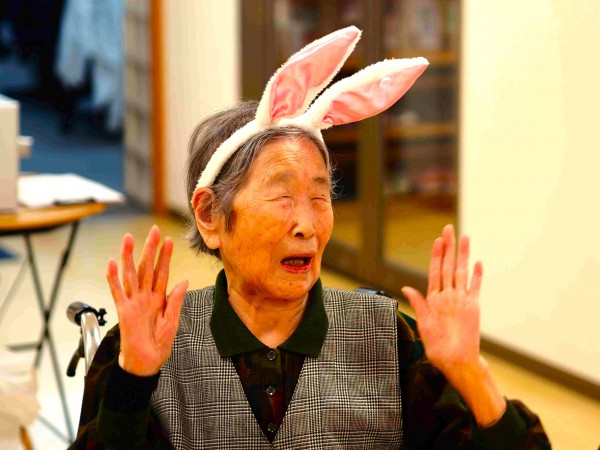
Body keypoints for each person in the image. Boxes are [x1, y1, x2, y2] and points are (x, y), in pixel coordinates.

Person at [71, 27, 550, 449]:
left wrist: (470, 373)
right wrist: (134, 379)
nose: (307, 224)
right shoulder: (146, 346)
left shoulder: (391, 340)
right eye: (282, 197)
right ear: (211, 216)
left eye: (320, 197)